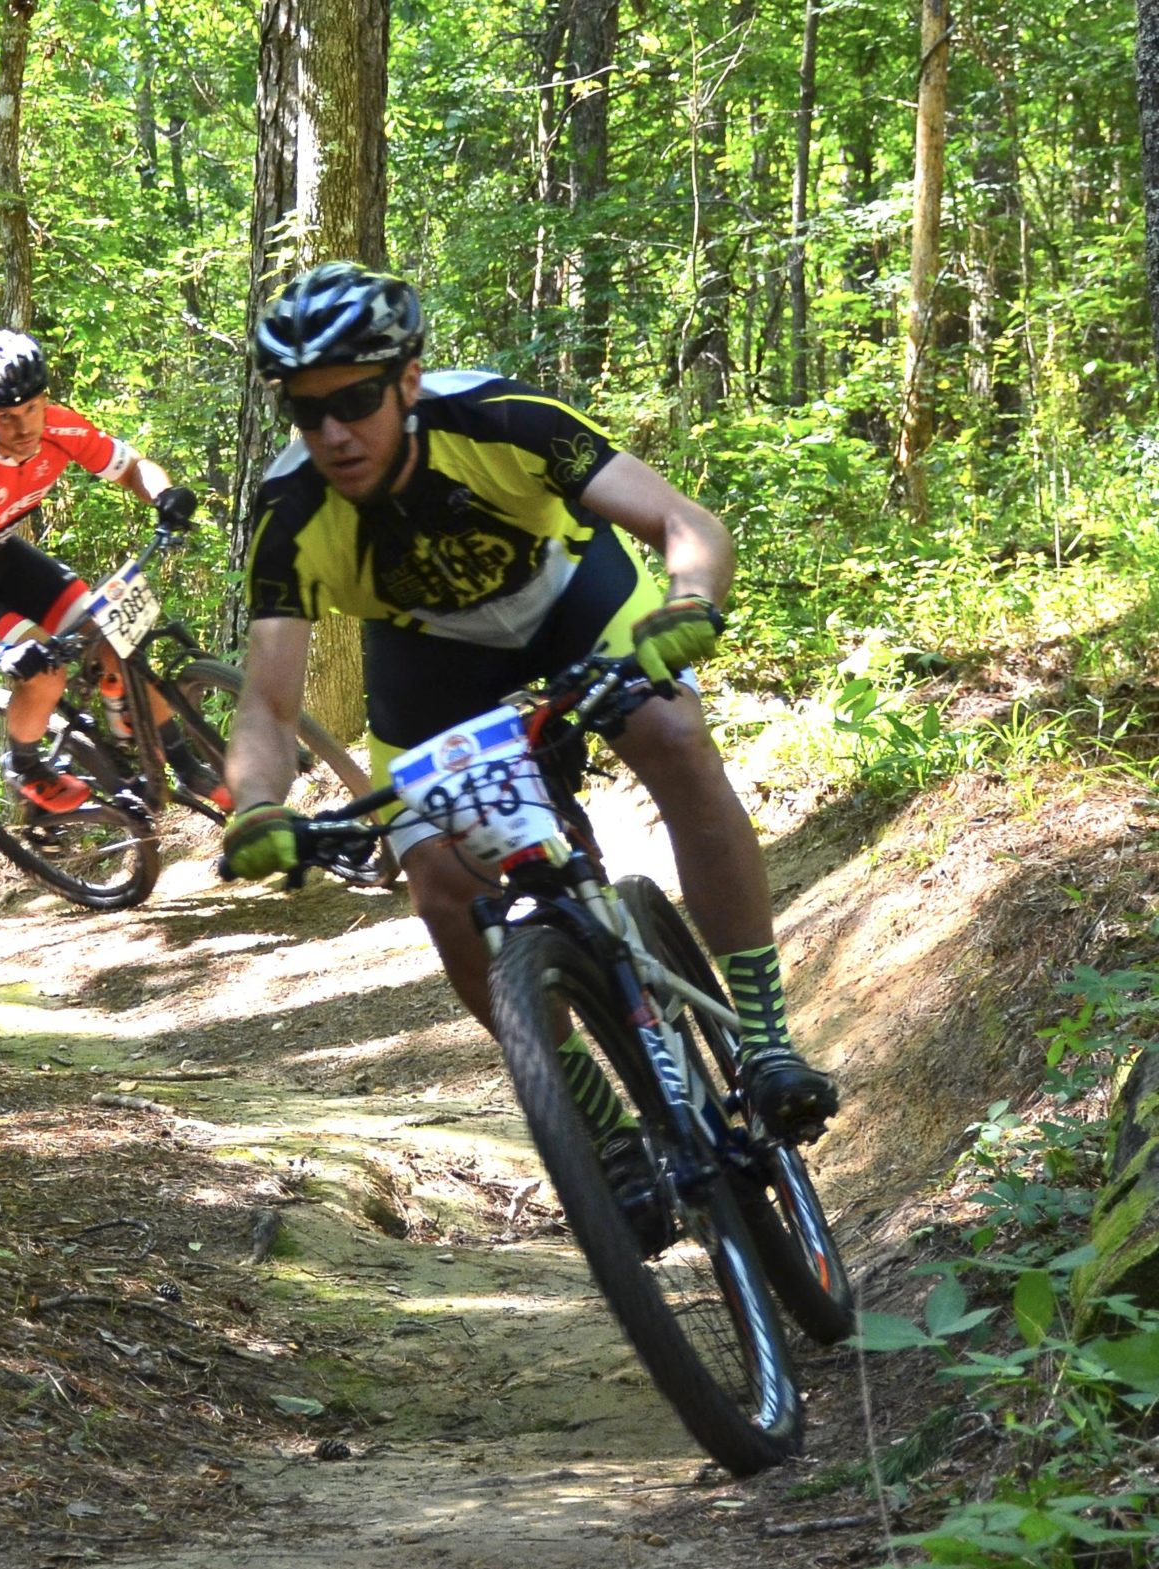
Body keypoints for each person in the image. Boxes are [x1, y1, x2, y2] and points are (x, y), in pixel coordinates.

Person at [220, 262, 836, 1145]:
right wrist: (256, 806)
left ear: (407, 381)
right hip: (429, 659)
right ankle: (589, 1117)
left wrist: (690, 602)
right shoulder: (291, 513)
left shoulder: (503, 420)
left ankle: (766, 1040)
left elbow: (681, 523)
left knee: (670, 731)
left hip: (573, 604)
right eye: (305, 410)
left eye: (354, 400)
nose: (333, 433)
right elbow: (268, 706)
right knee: (437, 879)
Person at [0, 329, 218, 812]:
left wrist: (164, 496)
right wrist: (1, 656)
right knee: (44, 671)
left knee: (115, 633)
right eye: (5, 417)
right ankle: (23, 764)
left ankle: (183, 767)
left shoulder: (60, 428)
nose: (23, 429)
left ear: (44, 400)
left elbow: (131, 467)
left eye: (31, 410)